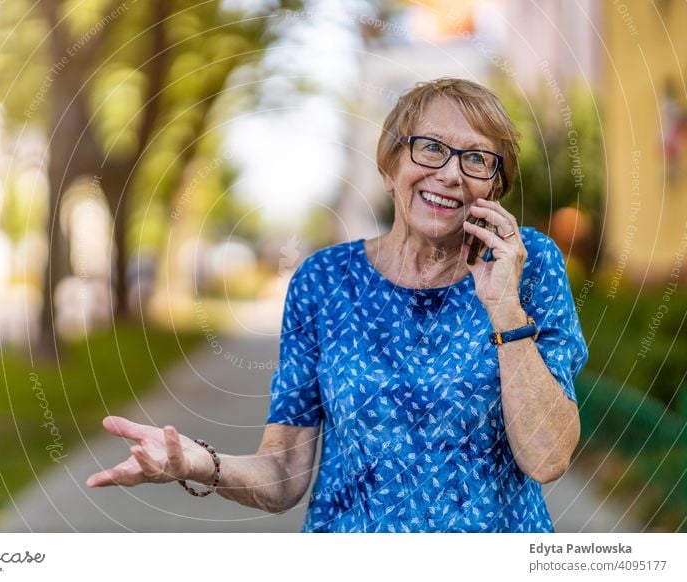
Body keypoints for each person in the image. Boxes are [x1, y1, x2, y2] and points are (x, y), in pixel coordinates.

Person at [86, 77, 588, 533]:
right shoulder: (324, 280)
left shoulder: (529, 264)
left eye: (477, 158)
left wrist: (504, 311)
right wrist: (199, 464)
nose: (451, 174)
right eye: (430, 148)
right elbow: (284, 472)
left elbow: (548, 459)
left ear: (493, 189)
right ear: (390, 168)